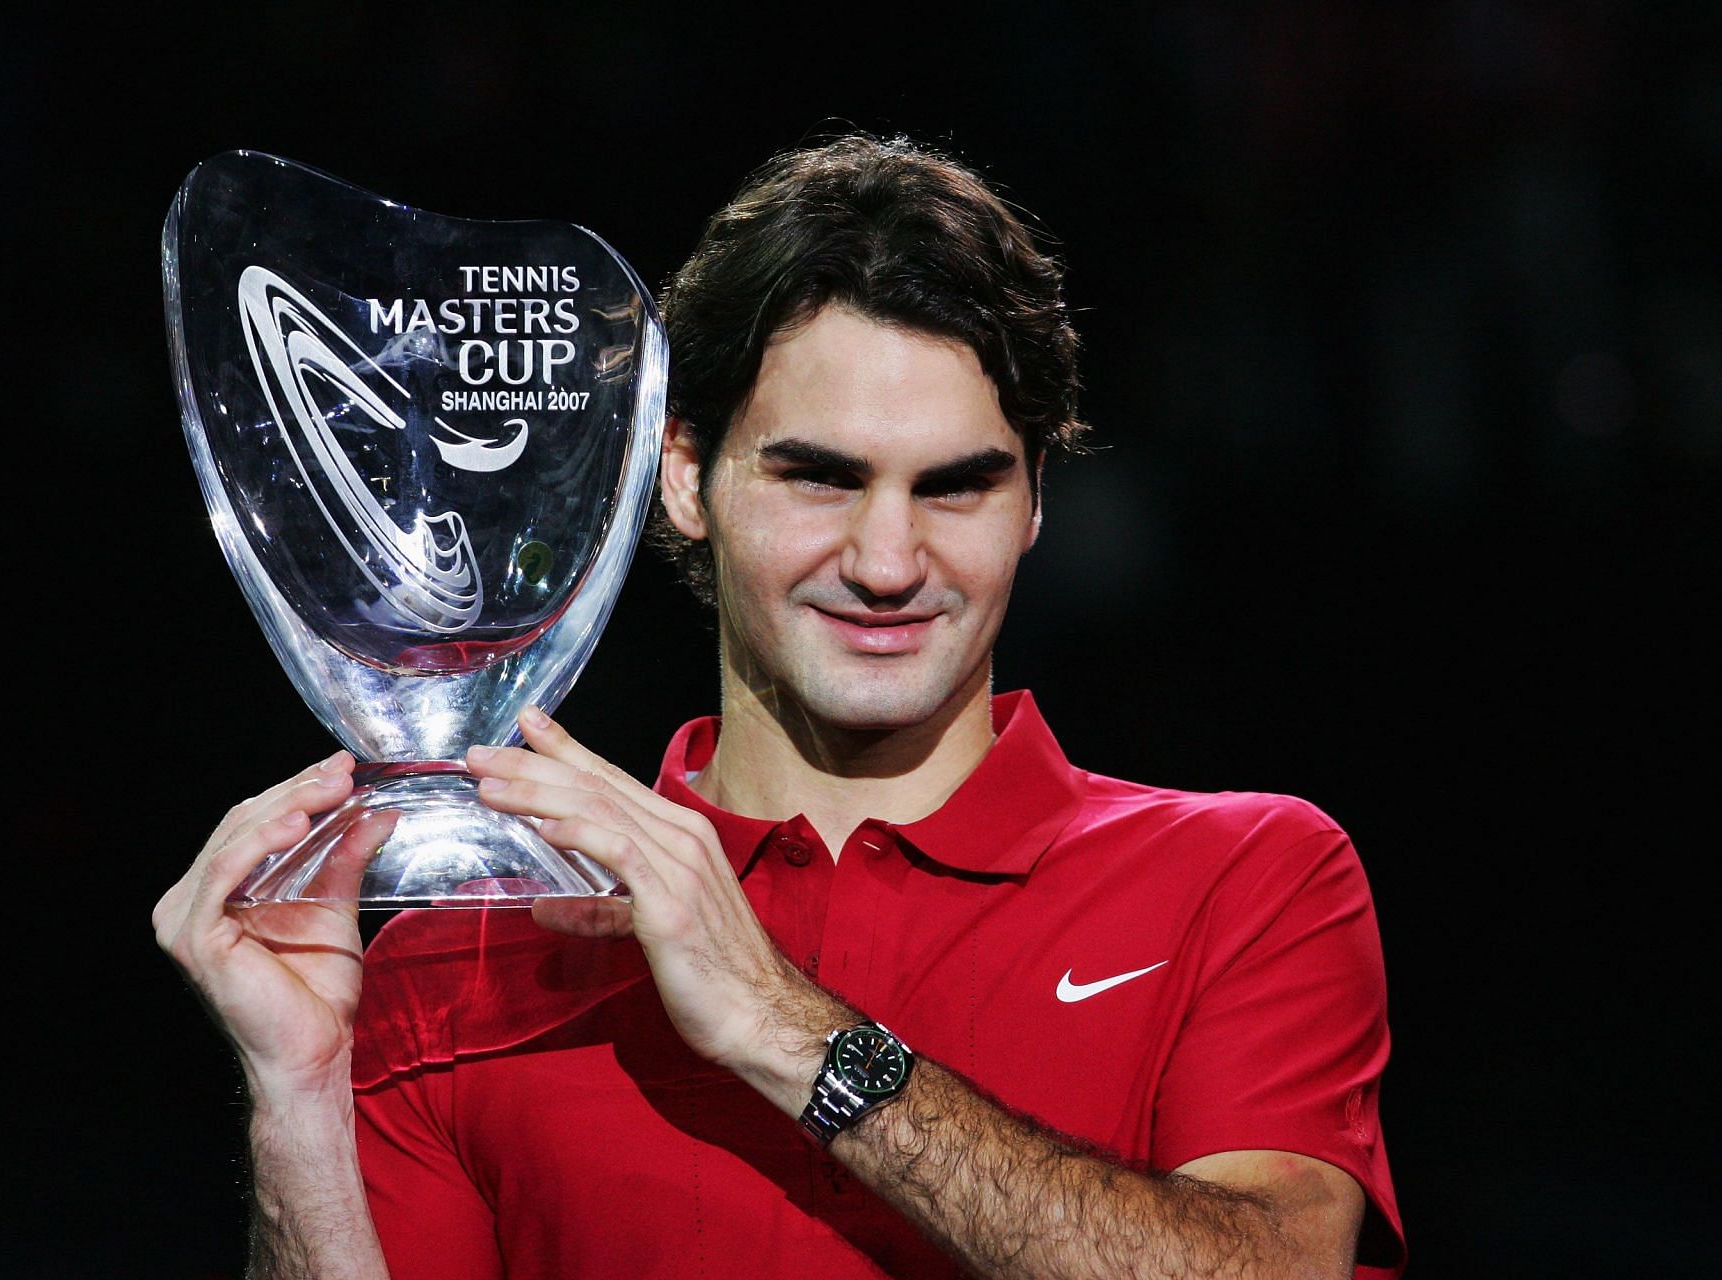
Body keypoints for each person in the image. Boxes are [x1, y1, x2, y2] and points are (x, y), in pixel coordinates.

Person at [155, 134, 1404, 1279]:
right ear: (687, 478)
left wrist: (775, 1020)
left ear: (1034, 503)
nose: (887, 557)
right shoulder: (473, 953)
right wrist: (299, 1100)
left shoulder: (1246, 877)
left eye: (957, 487)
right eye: (822, 477)